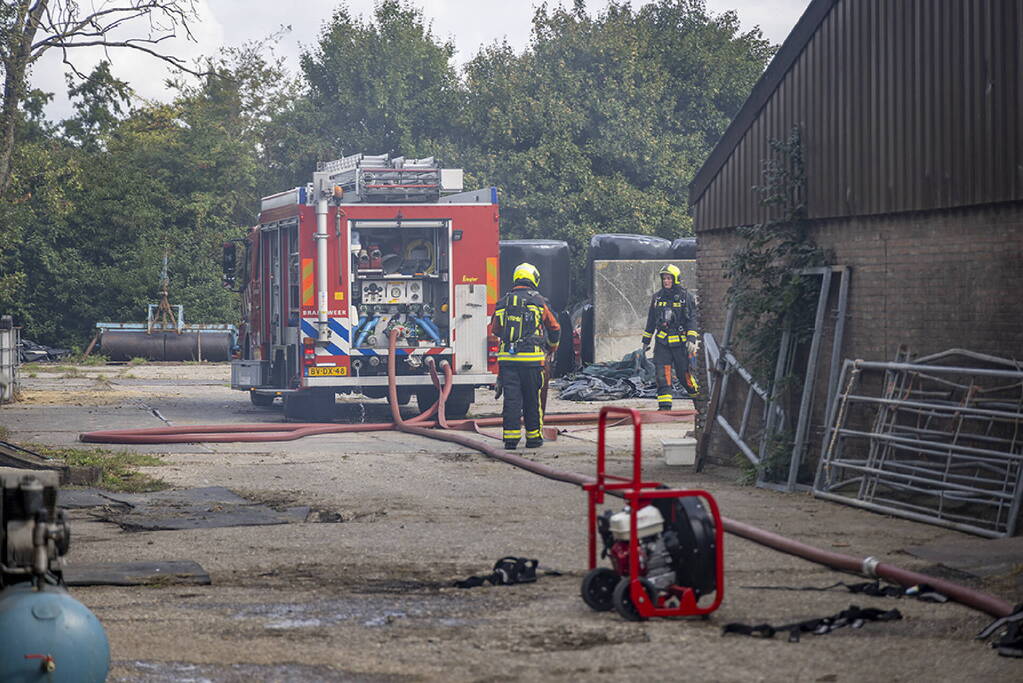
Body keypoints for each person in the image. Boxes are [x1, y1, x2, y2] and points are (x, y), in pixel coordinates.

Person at [491, 262, 561, 450]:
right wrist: (550, 347)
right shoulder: (539, 301)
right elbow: (554, 327)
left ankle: (511, 439)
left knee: (512, 400)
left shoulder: (503, 302)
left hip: (508, 361)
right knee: (532, 399)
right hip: (532, 362)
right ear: (533, 278)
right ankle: (533, 439)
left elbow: (496, 329)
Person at [642, 264, 700, 411]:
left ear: (675, 279)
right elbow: (651, 321)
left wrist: (692, 339)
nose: (666, 281)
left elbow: (692, 319)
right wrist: (645, 342)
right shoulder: (657, 297)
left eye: (668, 278)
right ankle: (665, 408)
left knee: (685, 376)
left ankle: (700, 403)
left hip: (681, 345)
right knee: (662, 375)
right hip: (662, 344)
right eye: (664, 278)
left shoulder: (686, 297)